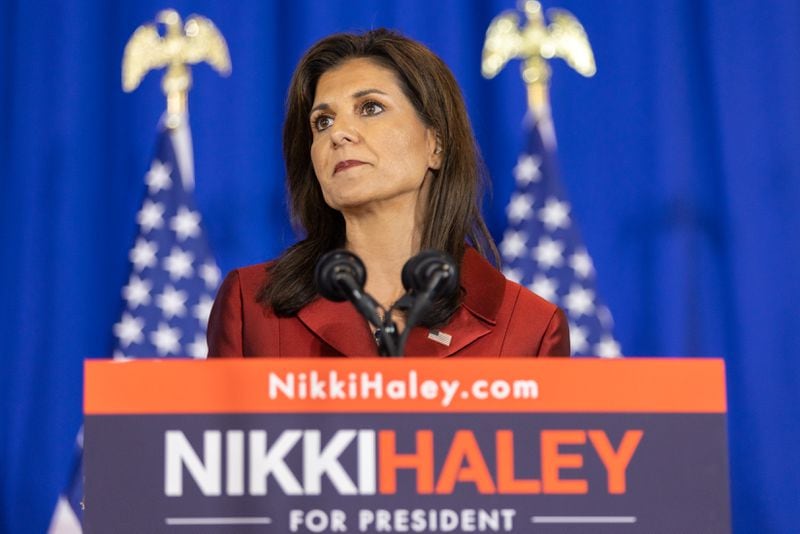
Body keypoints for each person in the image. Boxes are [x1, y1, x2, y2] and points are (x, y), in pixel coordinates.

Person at [207, 29, 569, 357]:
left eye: (371, 108)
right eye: (323, 121)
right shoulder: (251, 306)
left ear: (436, 144)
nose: (339, 133)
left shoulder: (529, 329)